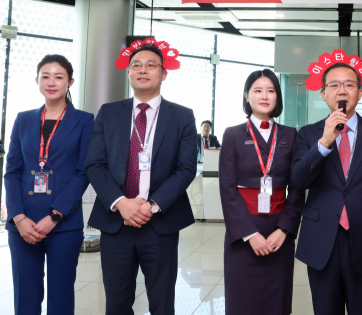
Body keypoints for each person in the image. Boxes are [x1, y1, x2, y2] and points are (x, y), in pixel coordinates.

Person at [86, 39, 197, 315]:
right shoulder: (109, 113)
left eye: (151, 65)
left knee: (162, 304)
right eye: (136, 65)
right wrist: (121, 202)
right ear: (129, 73)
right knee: (116, 304)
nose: (143, 70)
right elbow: (94, 164)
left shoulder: (182, 116)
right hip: (116, 223)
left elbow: (186, 168)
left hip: (160, 223)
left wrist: (152, 204)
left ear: (164, 73)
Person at [291, 51, 362, 315]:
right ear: (323, 94)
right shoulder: (308, 134)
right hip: (321, 242)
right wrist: (324, 142)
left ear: (359, 93)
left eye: (349, 84)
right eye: (334, 85)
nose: (342, 90)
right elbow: (298, 180)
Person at [5, 54, 94, 315]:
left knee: (61, 295)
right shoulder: (23, 119)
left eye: (59, 76)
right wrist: (18, 217)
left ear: (70, 82)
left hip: (64, 222)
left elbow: (83, 173)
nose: (51, 82)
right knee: (25, 296)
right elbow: (11, 172)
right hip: (23, 223)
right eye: (45, 76)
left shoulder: (85, 120)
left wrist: (55, 215)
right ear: (37, 81)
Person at [218, 69, 304, 315]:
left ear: (278, 96)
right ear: (247, 96)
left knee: (278, 301)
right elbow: (227, 188)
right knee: (242, 299)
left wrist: (285, 229)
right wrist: (250, 234)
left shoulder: (290, 134)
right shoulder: (233, 134)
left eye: (271, 90)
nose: (264, 96)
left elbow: (297, 187)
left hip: (280, 228)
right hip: (244, 230)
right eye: (257, 90)